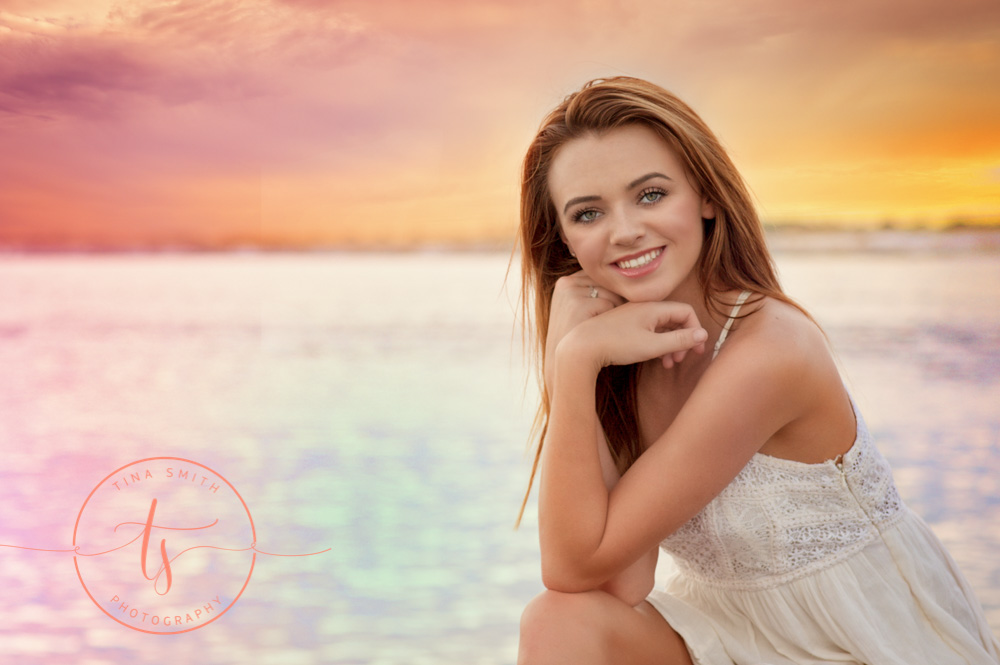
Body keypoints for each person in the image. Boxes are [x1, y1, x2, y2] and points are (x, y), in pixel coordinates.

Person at [514, 76, 1000, 665]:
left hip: (856, 641)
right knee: (559, 623)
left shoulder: (773, 352)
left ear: (706, 197)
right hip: (736, 636)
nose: (624, 231)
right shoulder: (628, 356)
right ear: (564, 241)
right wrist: (579, 363)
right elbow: (614, 583)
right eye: (589, 212)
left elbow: (574, 563)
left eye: (650, 195)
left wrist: (569, 363)